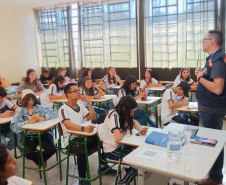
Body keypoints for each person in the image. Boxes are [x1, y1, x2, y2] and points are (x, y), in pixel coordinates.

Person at [58, 83, 115, 185]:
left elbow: (92, 118)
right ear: (68, 94)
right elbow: (68, 125)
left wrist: (89, 103)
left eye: (78, 90)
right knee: (82, 151)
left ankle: (102, 166)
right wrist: (83, 128)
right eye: (75, 91)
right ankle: (82, 179)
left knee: (103, 140)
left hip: (84, 136)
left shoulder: (80, 105)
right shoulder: (63, 109)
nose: (78, 93)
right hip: (71, 140)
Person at [195, 30, 226, 185]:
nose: (202, 42)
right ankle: (213, 175)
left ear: (212, 41)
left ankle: (215, 178)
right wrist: (202, 73)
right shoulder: (213, 59)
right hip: (209, 108)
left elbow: (217, 88)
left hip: (212, 110)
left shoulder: (219, 60)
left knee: (214, 143)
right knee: (211, 142)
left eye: (204, 39)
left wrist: (200, 78)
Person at [103, 95, 147, 184]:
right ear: (124, 109)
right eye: (131, 111)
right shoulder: (114, 115)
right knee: (138, 162)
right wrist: (124, 131)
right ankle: (123, 182)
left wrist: (141, 129)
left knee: (142, 155)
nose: (132, 114)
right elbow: (118, 137)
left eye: (133, 111)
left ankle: (127, 172)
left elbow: (133, 121)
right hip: (111, 150)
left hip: (121, 146)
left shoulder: (123, 113)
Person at [11, 92, 58, 167]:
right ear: (24, 101)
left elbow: (56, 113)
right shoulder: (20, 111)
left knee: (52, 149)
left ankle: (40, 160)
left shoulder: (40, 108)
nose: (31, 102)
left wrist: (44, 117)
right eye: (28, 100)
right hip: (29, 135)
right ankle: (41, 160)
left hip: (43, 133)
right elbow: (13, 125)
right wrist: (27, 122)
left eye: (32, 100)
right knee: (27, 153)